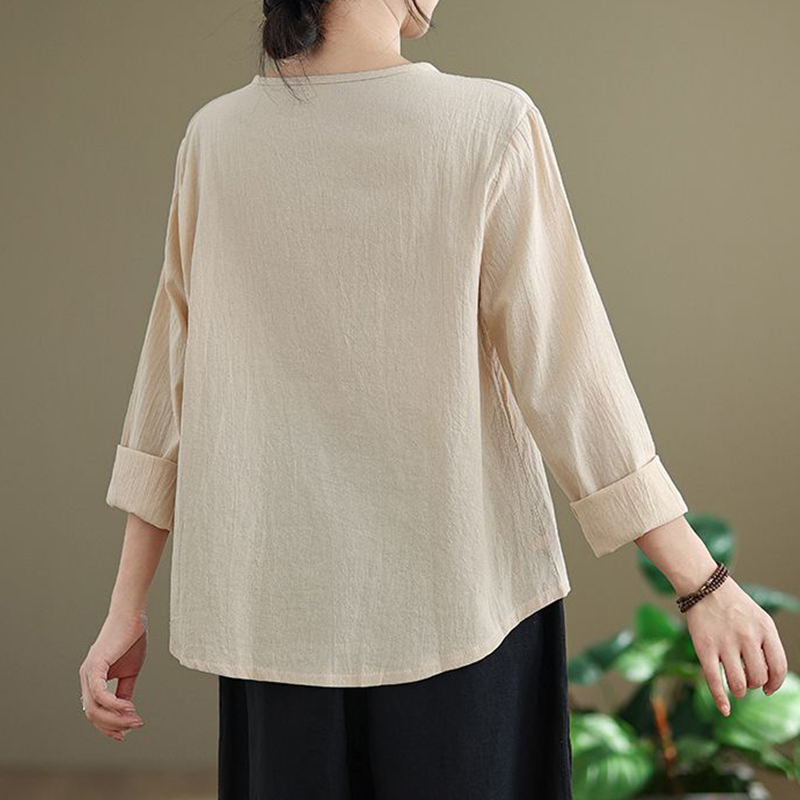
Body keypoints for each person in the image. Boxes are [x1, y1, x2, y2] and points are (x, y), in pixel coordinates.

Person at [79, 0, 789, 797]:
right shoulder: (490, 124)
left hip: (276, 623)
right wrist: (702, 584)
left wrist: (126, 607)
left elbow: (168, 385)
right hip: (464, 614)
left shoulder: (216, 139)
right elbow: (568, 374)